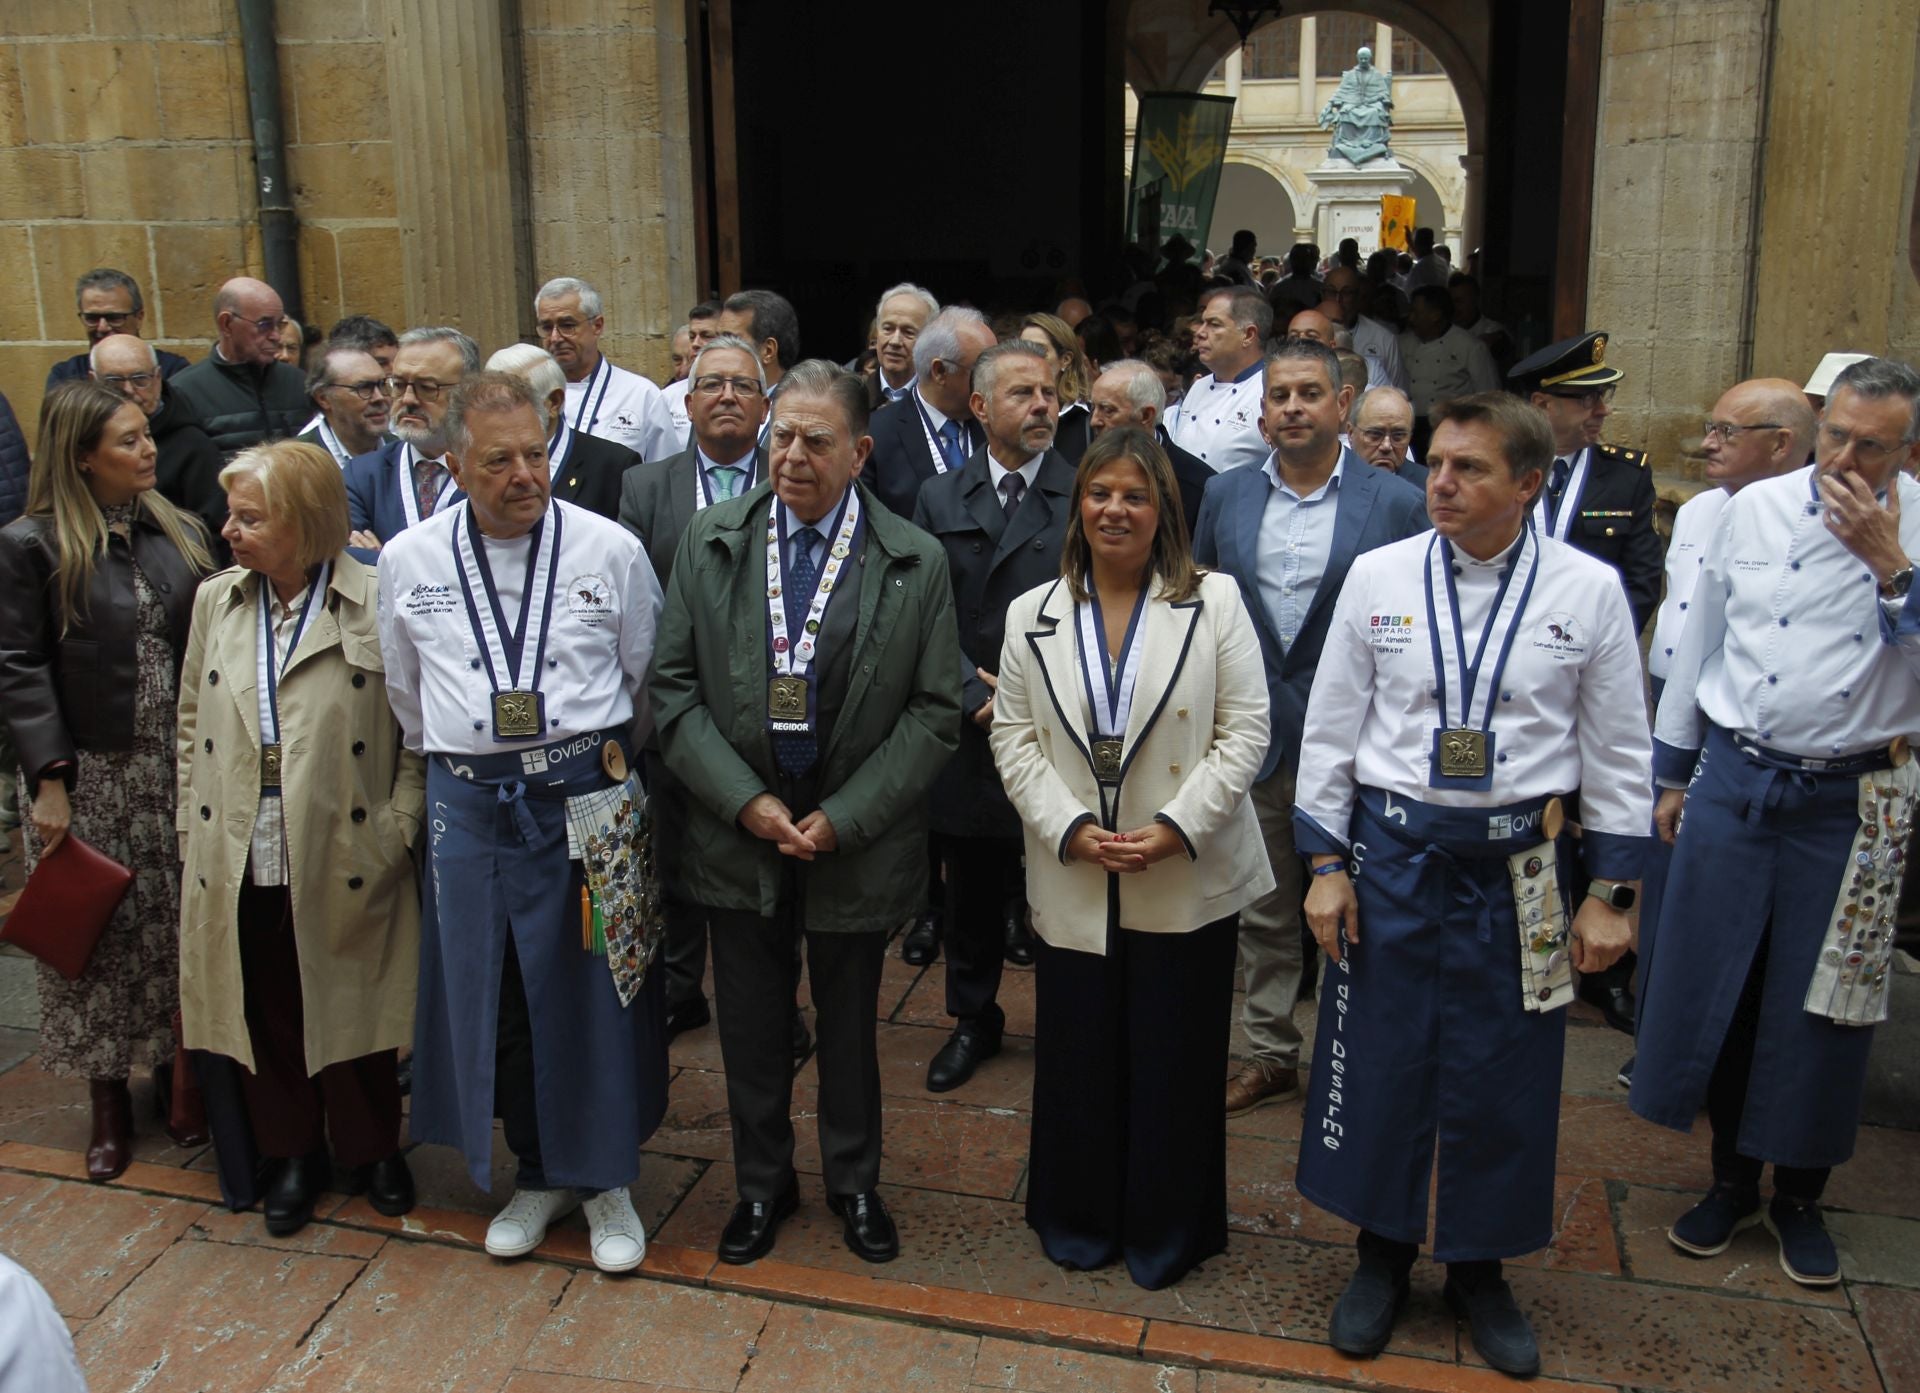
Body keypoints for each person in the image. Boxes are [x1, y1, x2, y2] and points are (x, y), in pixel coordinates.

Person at [1292, 392, 1651, 1376]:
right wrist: (1325, 867)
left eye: (1467, 469)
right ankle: (1380, 1253)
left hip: (1528, 871)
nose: (1438, 483)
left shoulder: (1587, 591)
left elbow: (1617, 749)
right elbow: (1330, 732)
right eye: (1437, 463)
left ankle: (1481, 1266)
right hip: (1394, 858)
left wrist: (1612, 891)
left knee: (1509, 1068)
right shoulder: (1380, 575)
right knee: (1383, 1054)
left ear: (1528, 484)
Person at [650, 360, 961, 1265]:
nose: (791, 455)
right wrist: (744, 801)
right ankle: (761, 1184)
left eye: (816, 441)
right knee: (747, 1023)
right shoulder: (711, 539)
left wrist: (847, 816)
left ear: (860, 451)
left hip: (850, 841)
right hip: (733, 832)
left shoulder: (914, 558)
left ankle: (855, 1181)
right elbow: (671, 689)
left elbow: (938, 707)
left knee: (851, 1025)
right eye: (781, 434)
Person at [1632, 357, 1920, 1289]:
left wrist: (1891, 564)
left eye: (1870, 445)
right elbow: (1699, 642)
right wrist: (1672, 773)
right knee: (1724, 982)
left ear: (1906, 450)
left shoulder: (1915, 524)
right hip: (1738, 778)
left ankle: (1801, 1193)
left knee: (1827, 1003)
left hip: (1855, 799)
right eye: (1835, 432)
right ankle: (1727, 1180)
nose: (1845, 455)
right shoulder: (1748, 509)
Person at [377, 372, 668, 1274]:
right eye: (498, 460)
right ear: (454, 465)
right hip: (469, 804)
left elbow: (644, 679)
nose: (524, 474)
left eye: (537, 454)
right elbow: (406, 696)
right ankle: (537, 1172)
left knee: (596, 990)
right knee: (493, 989)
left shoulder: (610, 548)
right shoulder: (409, 559)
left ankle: (607, 1176)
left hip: (586, 796)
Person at [989, 425, 1273, 1289]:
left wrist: (1179, 825)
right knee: (1077, 1054)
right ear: (1079, 506)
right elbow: (1011, 735)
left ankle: (1167, 1226)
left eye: (1136, 495)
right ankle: (1077, 1214)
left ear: (1163, 511)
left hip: (1179, 864)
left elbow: (1246, 730)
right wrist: (1068, 824)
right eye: (1101, 493)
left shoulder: (1214, 601)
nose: (1117, 509)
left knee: (1174, 1054)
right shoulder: (1030, 613)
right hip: (1076, 861)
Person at [175, 440, 420, 1236]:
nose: (229, 529)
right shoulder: (217, 600)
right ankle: (290, 1154)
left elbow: (420, 731)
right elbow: (189, 724)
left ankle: (373, 1147)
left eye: (251, 517)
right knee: (266, 998)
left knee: (352, 995)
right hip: (240, 834)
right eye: (232, 514)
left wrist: (398, 827)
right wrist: (192, 828)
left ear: (307, 521)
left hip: (343, 836)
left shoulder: (378, 596)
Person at [1192, 338, 1427, 1119]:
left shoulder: (1396, 502)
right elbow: (1198, 605)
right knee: (1263, 905)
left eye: (1308, 393)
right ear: (1261, 413)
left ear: (1342, 406)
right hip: (1251, 736)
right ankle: (1269, 1053)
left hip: (1359, 742)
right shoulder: (1226, 495)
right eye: (1279, 395)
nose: (1292, 406)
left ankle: (1349, 1054)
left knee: (1357, 908)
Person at [0, 381, 215, 1181]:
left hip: (173, 764)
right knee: (98, 937)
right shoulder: (32, 543)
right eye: (127, 442)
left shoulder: (179, 529)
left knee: (169, 926)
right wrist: (49, 778)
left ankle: (172, 1073)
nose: (148, 449)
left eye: (146, 434)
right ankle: (107, 1099)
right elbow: (19, 667)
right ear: (82, 456)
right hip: (89, 770)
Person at [1617, 379, 1813, 1091]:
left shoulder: (1815, 519)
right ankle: (1663, 1042)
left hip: (1744, 729)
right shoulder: (1702, 510)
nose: (1707, 444)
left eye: (1728, 432)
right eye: (1711, 427)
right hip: (1673, 706)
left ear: (1782, 443)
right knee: (1668, 892)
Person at [910, 342, 1073, 1090]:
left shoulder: (1085, 492)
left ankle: (1072, 1025)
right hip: (972, 728)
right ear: (979, 407)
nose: (1042, 405)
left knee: (1064, 880)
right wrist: (972, 696)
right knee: (970, 885)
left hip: (1061, 727)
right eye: (1023, 393)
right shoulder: (940, 498)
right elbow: (922, 615)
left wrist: (1043, 702)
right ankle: (974, 1017)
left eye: (1049, 391)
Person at [617, 332, 769, 1041]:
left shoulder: (796, 472)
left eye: (743, 385)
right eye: (712, 384)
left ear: (765, 403)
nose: (728, 396)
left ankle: (774, 1001)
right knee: (673, 850)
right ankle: (681, 985)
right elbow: (631, 601)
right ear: (686, 399)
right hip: (676, 700)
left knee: (764, 858)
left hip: (772, 704)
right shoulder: (645, 488)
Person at [1509, 331, 1662, 635]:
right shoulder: (1500, 468)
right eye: (1588, 398)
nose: (1603, 410)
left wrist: (1598, 647)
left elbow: (1642, 580)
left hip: (1589, 646)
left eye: (1604, 395)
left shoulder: (1627, 476)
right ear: (1542, 404)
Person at [343, 326, 478, 549]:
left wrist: (387, 560)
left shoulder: (494, 471)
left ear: (469, 390)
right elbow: (352, 563)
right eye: (398, 385)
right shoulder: (362, 477)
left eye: (426, 388)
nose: (408, 399)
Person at [91, 333, 229, 552]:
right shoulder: (82, 443)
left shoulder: (193, 446)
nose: (128, 390)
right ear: (93, 380)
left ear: (157, 378)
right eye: (114, 381)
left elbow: (215, 533)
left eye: (139, 379)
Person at [865, 306, 996, 524]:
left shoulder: (996, 428)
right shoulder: (875, 435)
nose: (994, 383)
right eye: (983, 373)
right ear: (940, 371)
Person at [534, 276, 679, 463]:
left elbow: (667, 474)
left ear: (597, 326)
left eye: (567, 326)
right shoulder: (530, 394)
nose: (555, 338)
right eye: (547, 327)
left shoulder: (641, 395)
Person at [487, 343, 638, 520]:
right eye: (490, 402)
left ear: (553, 402)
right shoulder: (479, 462)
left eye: (512, 402)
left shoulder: (614, 467)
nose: (495, 414)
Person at [169, 277, 310, 457]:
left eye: (280, 324)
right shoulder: (183, 392)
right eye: (264, 325)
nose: (276, 336)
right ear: (226, 324)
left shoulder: (300, 382)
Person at [1088, 359, 1209, 533]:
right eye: (1093, 408)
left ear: (1146, 415)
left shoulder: (1196, 487)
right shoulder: (1084, 469)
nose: (1094, 421)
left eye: (1108, 410)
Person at [1172, 288, 1274, 474]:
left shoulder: (1272, 389)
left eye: (1214, 324)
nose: (1200, 333)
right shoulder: (1199, 386)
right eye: (1203, 323)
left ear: (1248, 335)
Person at [44, 267, 190, 392]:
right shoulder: (66, 376)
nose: (102, 327)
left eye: (114, 317)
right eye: (92, 318)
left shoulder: (174, 370)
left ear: (139, 317)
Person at [1399, 285, 1500, 434]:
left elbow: (1489, 396)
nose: (1411, 318)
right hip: (1408, 427)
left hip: (1453, 428)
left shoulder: (1470, 347)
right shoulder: (1401, 343)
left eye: (1415, 312)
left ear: (1435, 315)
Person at [718, 290, 801, 449]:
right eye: (717, 338)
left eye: (730, 339)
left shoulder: (803, 412)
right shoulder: (709, 403)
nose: (716, 348)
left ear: (768, 351)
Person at [298, 345, 393, 467]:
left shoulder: (404, 450)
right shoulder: (298, 462)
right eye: (364, 388)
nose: (379, 397)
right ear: (324, 398)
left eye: (382, 385)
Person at [1021, 312, 1094, 465]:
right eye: (1022, 351)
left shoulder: (1091, 418)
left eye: (1038, 351)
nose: (1028, 360)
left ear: (1065, 360)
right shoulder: (1011, 414)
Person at [1319, 267, 1408, 392]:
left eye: (1347, 292)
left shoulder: (1383, 338)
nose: (1338, 300)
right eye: (1331, 292)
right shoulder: (1305, 334)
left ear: (1357, 296)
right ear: (1322, 294)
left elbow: (1398, 393)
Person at [660, 300, 723, 448]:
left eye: (706, 335)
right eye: (692, 336)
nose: (695, 343)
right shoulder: (667, 397)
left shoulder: (740, 394)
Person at [870, 283, 939, 410]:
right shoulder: (852, 395)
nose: (895, 341)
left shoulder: (942, 401)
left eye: (908, 332)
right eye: (888, 329)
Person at [1352, 386, 1426, 488]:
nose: (1386, 446)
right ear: (1351, 433)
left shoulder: (1428, 486)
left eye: (1398, 436)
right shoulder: (1331, 480)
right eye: (1375, 434)